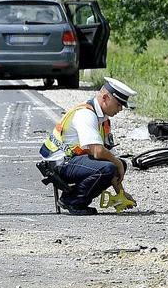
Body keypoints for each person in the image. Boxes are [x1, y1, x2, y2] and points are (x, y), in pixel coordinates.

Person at [38, 78, 135, 215]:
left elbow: (108, 157)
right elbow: (98, 152)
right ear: (105, 98)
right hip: (59, 164)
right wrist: (117, 163)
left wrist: (121, 194)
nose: (120, 109)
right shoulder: (86, 114)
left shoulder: (103, 120)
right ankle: (72, 200)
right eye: (118, 104)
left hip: (72, 160)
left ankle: (77, 199)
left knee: (117, 165)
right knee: (110, 167)